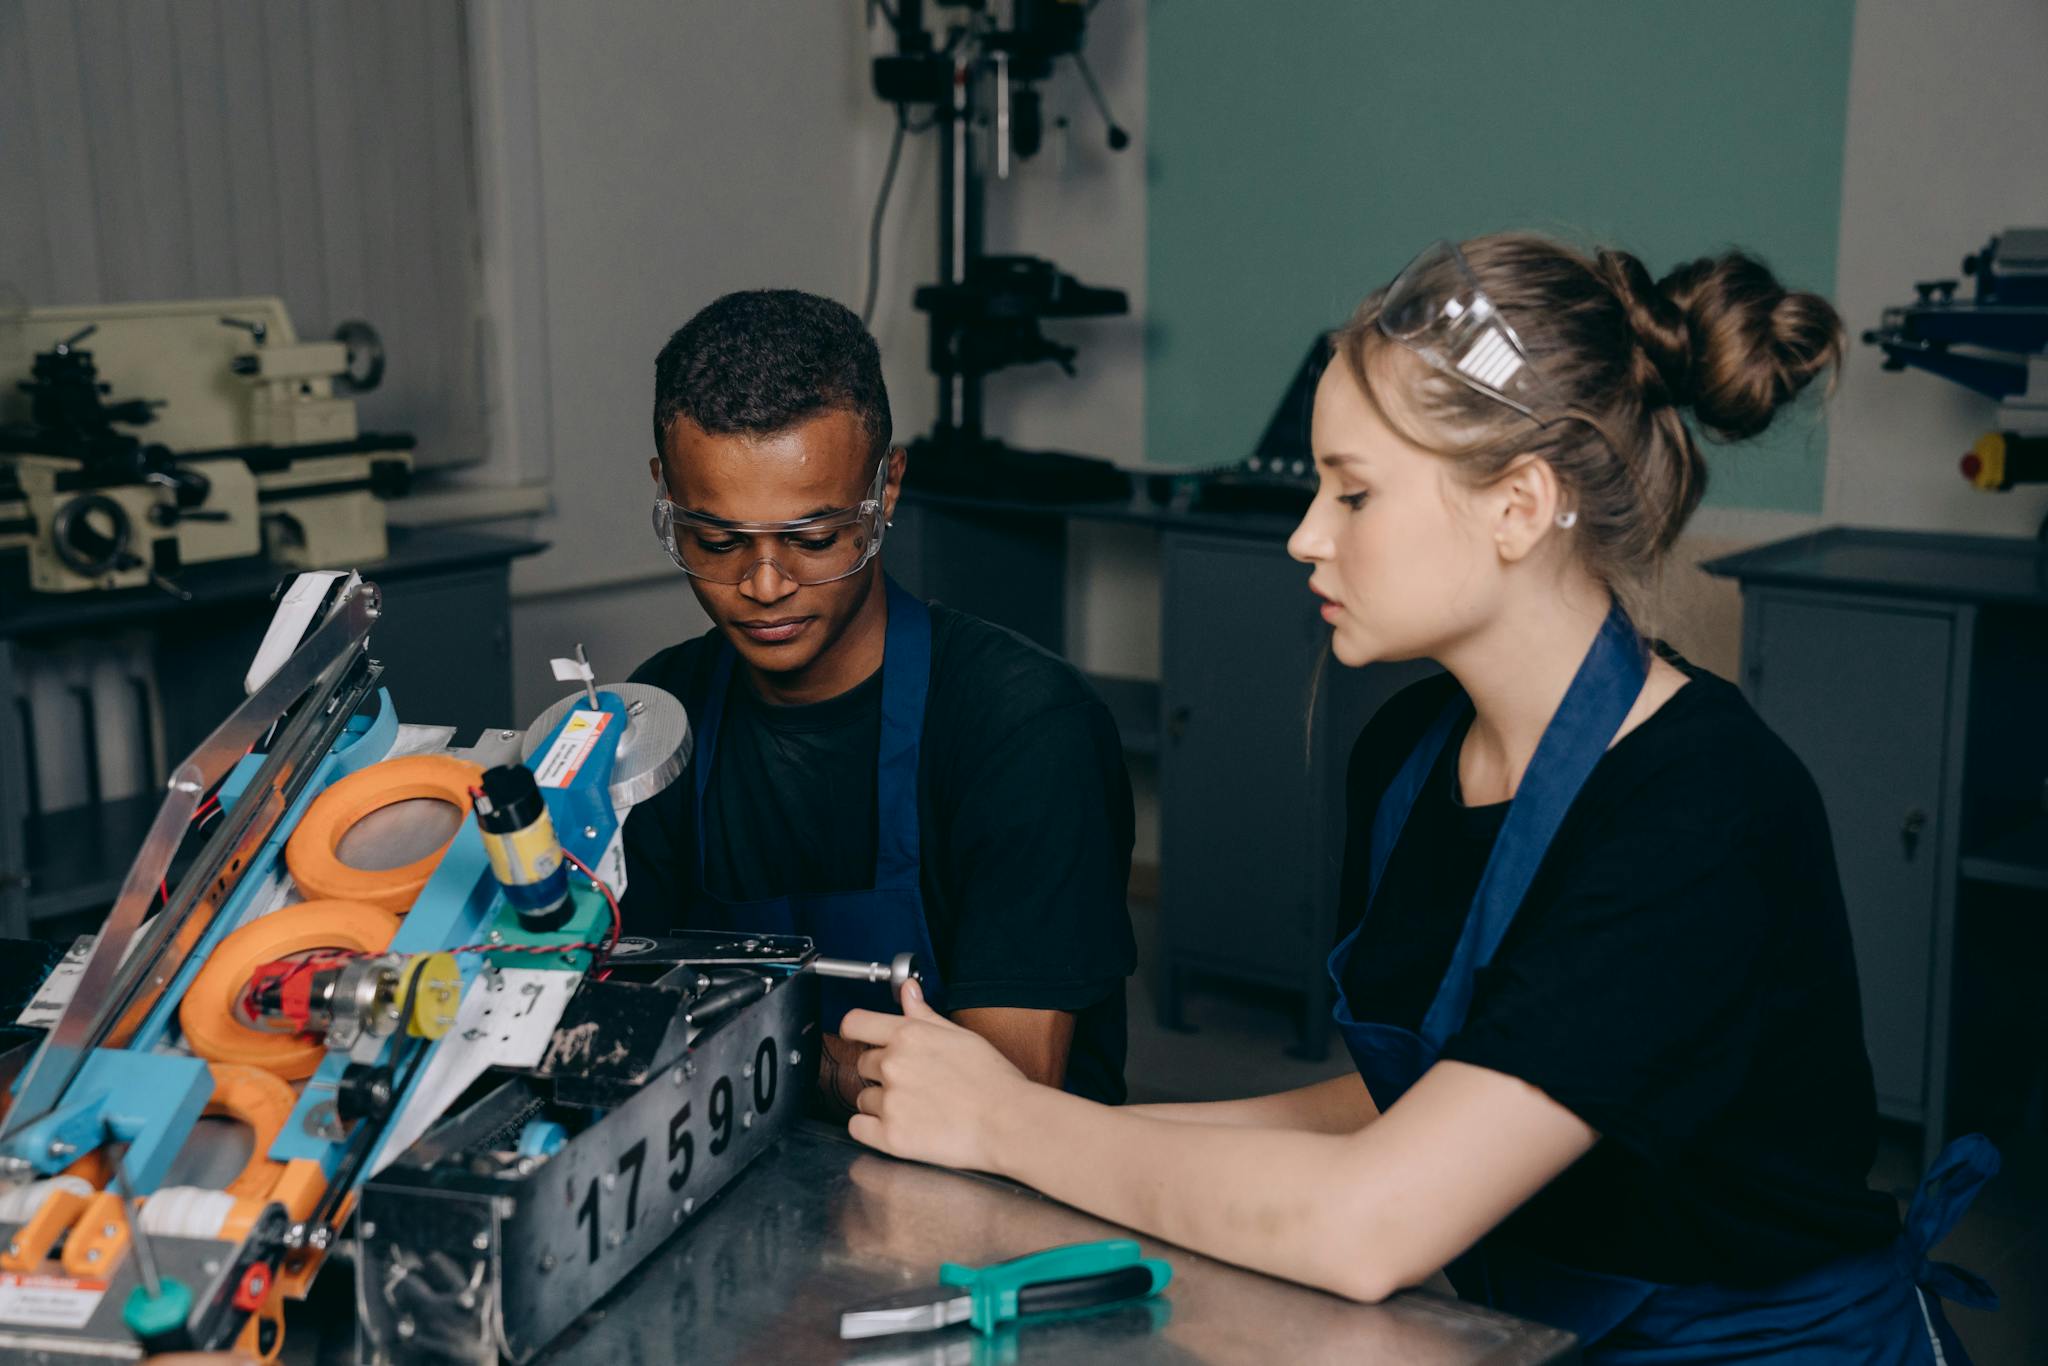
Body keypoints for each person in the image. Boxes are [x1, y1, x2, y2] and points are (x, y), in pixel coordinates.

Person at [834, 236, 2000, 1360]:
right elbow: (1409, 1107)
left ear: (1517, 503)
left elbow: (1370, 1219)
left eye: (1350, 494)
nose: (1301, 536)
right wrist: (1025, 1131)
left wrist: (1013, 1127)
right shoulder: (1404, 756)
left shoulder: (1697, 815)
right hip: (1534, 1337)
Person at [620, 289, 1138, 1109]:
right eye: (714, 540)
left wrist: (742, 1046)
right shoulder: (657, 720)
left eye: (814, 538)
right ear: (666, 494)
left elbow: (1001, 1093)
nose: (762, 585)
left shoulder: (1026, 729)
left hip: (1001, 1208)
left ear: (887, 489)